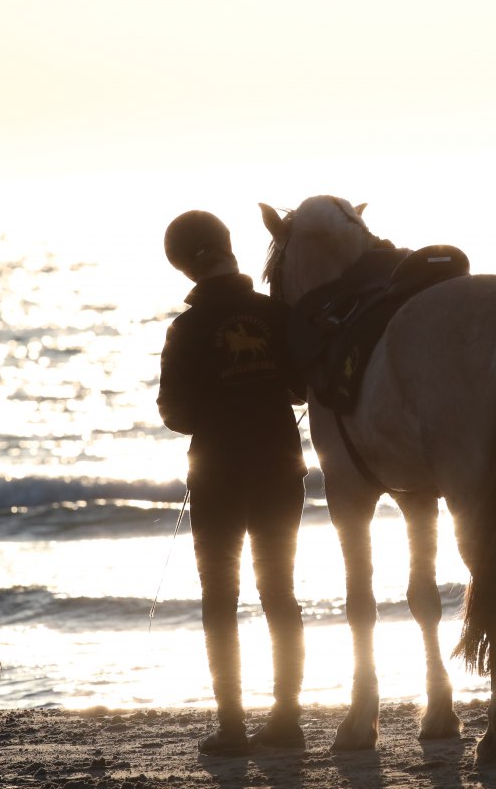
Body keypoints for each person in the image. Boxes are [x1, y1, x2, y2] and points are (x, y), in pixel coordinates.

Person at [157, 210, 307, 756]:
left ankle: (233, 728)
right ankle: (287, 720)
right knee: (280, 593)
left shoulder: (188, 328)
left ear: (183, 266)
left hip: (218, 475)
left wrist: (219, 405)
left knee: (220, 597)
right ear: (227, 246)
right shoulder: (275, 313)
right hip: (279, 467)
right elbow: (299, 387)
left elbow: (174, 411)